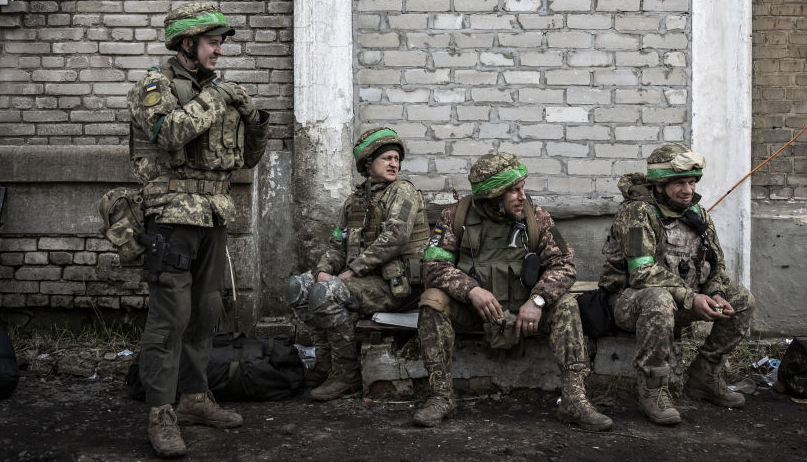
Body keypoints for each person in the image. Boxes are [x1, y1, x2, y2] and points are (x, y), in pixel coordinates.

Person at [126, 0, 269, 457]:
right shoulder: (154, 86)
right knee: (171, 318)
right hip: (171, 215)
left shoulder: (220, 92)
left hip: (214, 214)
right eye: (212, 42)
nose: (219, 52)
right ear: (187, 43)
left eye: (221, 43)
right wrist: (221, 98)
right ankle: (161, 413)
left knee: (207, 312)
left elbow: (248, 159)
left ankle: (194, 398)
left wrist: (254, 118)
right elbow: (168, 133)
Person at [413, 152, 612, 431]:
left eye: (522, 188)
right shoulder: (454, 216)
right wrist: (471, 290)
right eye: (513, 191)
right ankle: (441, 396)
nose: (521, 196)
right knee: (432, 301)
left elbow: (564, 265)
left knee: (566, 304)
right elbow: (432, 265)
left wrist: (538, 300)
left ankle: (574, 399)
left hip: (525, 312)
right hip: (476, 312)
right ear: (492, 196)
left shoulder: (536, 217)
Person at [599, 143, 754, 425]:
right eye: (680, 183)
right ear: (659, 185)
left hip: (683, 299)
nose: (688, 189)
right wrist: (691, 297)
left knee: (741, 298)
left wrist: (716, 292)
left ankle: (705, 376)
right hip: (629, 303)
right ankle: (653, 390)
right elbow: (641, 273)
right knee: (658, 299)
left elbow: (716, 265)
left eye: (692, 181)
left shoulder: (697, 213)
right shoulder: (638, 213)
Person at [285, 127, 430, 401]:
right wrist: (324, 270)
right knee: (299, 287)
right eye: (386, 158)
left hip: (398, 288)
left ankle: (346, 373)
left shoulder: (403, 192)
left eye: (396, 159)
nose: (393, 163)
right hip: (365, 283)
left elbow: (395, 238)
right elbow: (337, 242)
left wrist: (351, 272)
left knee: (326, 293)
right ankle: (325, 362)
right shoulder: (355, 201)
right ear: (367, 164)